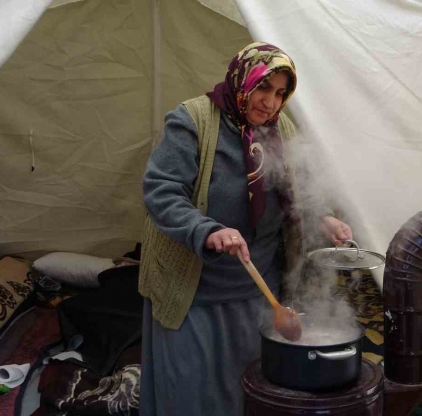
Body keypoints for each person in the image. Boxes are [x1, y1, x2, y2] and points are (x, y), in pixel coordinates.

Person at [138, 42, 352, 416]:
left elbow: (297, 187)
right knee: (191, 391)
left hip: (257, 286)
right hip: (194, 290)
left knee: (245, 387)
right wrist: (205, 229)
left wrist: (324, 216)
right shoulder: (192, 121)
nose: (271, 102)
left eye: (281, 93)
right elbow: (161, 191)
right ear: (242, 79)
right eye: (264, 88)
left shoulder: (280, 128)